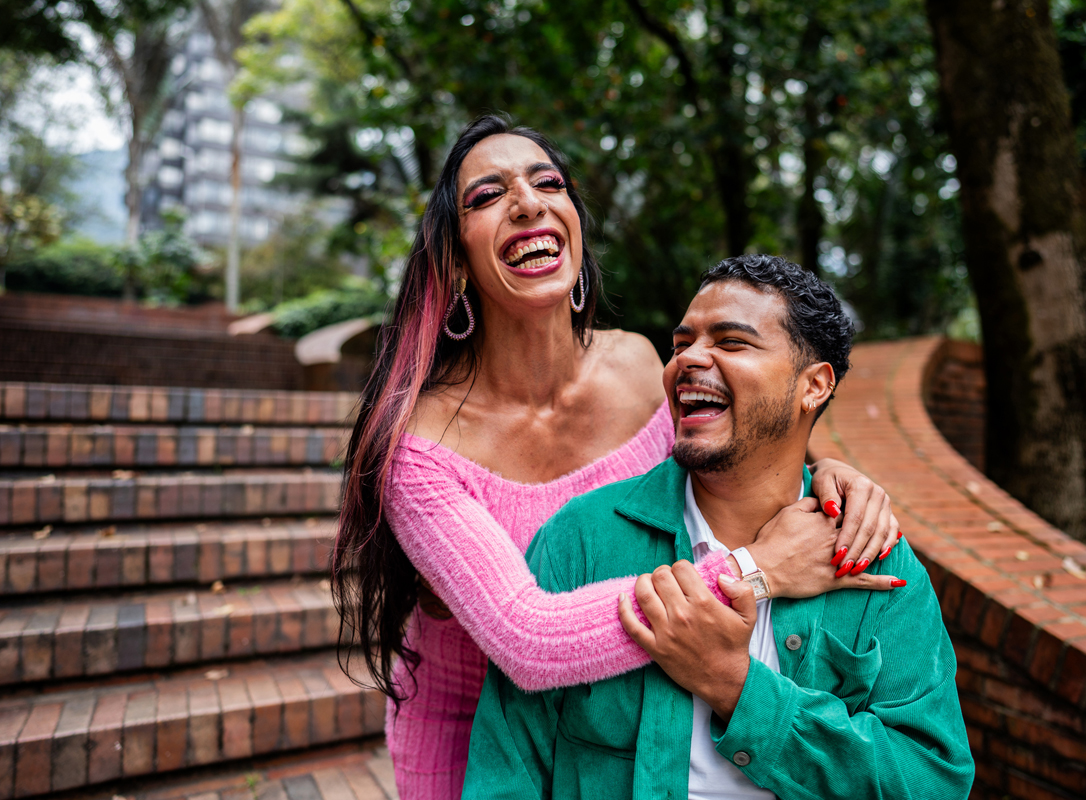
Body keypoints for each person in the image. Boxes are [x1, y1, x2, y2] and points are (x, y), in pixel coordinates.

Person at [332, 115, 904, 799]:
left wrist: (822, 473)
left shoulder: (637, 365)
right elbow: (528, 639)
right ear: (455, 259)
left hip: (615, 718)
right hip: (472, 742)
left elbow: (728, 461)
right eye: (488, 196)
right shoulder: (418, 444)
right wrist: (758, 571)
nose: (528, 201)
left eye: (548, 183)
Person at [462, 254, 974, 800]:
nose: (688, 360)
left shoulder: (875, 561)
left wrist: (737, 687)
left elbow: (933, 781)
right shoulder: (580, 540)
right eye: (682, 344)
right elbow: (505, 777)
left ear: (814, 386)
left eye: (731, 342)